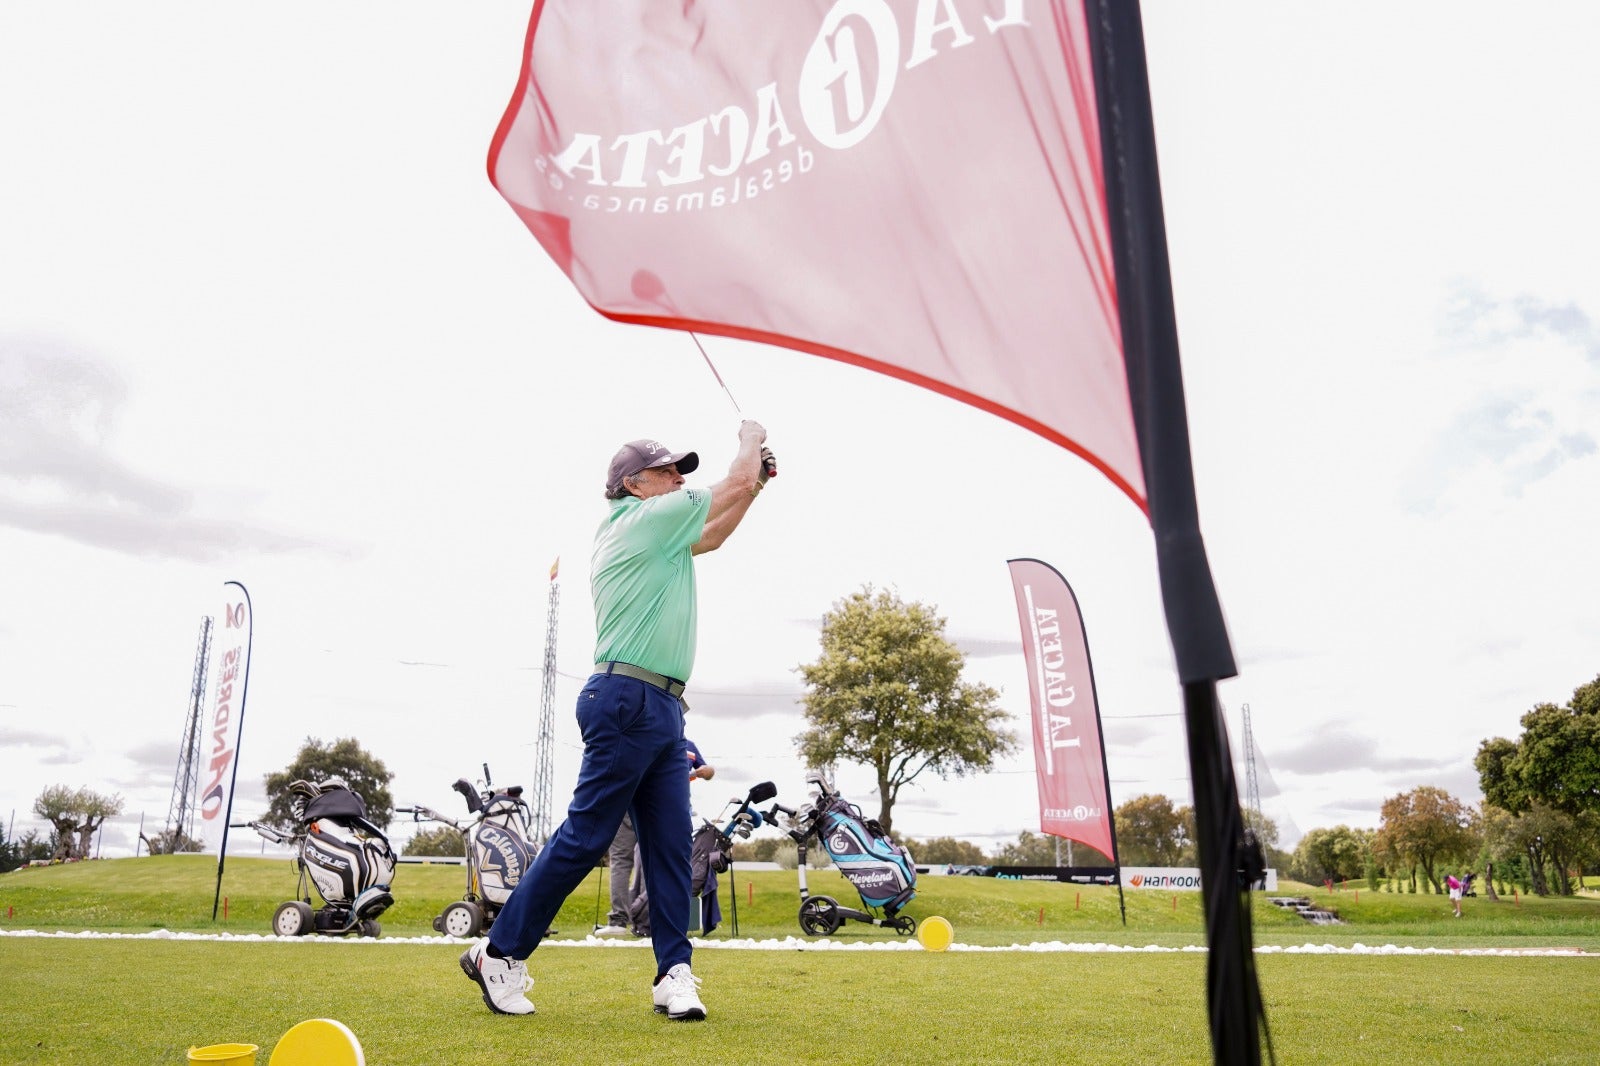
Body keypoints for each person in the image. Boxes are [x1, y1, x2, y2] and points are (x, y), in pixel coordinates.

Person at [459, 422, 770, 1021]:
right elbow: (730, 480)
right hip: (625, 697)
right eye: (668, 471)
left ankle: (673, 974)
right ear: (633, 484)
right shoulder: (639, 521)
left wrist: (754, 489)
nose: (679, 478)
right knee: (585, 839)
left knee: (670, 851)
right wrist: (751, 440)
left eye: (682, 471)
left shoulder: (662, 533)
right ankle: (498, 954)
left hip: (660, 709)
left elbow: (716, 535)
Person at [597, 738, 714, 938]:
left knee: (649, 860)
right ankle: (622, 920)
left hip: (659, 807)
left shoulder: (685, 746)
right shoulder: (657, 739)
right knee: (625, 861)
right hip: (636, 804)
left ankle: (645, 918)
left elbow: (707, 771)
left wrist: (705, 771)